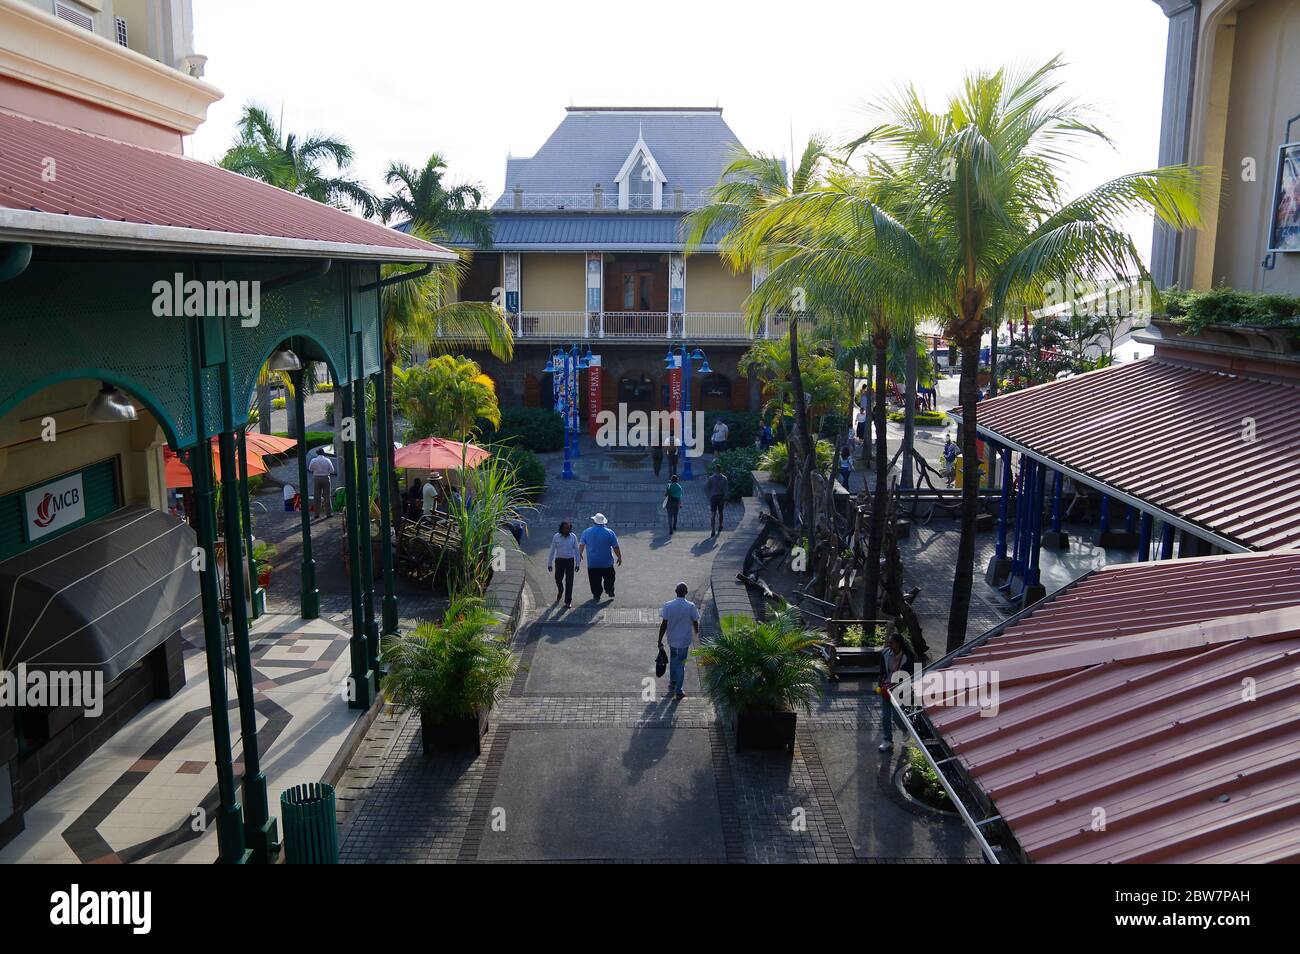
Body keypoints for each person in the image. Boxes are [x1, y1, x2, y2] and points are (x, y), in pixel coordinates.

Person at [658, 582, 700, 701]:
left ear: (675, 592)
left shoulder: (668, 605)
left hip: (672, 639)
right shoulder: (691, 606)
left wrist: (659, 640)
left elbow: (664, 624)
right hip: (684, 641)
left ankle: (673, 682)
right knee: (681, 664)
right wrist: (696, 633)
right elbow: (695, 621)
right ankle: (679, 690)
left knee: (673, 660)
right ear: (686, 593)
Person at [878, 633, 915, 751]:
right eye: (889, 642)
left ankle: (905, 730)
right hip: (886, 688)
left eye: (892, 643)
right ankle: (887, 740)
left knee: (897, 717)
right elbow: (882, 671)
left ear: (899, 644)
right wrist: (880, 684)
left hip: (900, 691)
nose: (889, 645)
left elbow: (910, 676)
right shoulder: (885, 654)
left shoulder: (907, 658)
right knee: (885, 717)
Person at [579, 513, 621, 600]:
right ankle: (609, 589)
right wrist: (619, 557)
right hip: (607, 562)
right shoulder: (610, 532)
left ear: (594, 521)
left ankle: (597, 594)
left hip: (593, 563)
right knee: (610, 578)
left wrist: (579, 554)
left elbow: (581, 545)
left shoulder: (586, 532)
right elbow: (615, 546)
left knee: (594, 581)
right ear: (603, 522)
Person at [547, 520, 580, 608]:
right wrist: (549, 563)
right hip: (559, 561)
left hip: (570, 561)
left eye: (568, 528)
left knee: (569, 582)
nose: (567, 530)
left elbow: (577, 550)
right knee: (558, 579)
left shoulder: (573, 537)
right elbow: (552, 550)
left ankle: (568, 601)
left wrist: (577, 564)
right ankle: (560, 590)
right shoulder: (556, 537)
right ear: (561, 529)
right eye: (565, 528)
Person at [307, 448, 335, 519]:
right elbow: (332, 470)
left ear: (317, 453)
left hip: (317, 478)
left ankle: (317, 514)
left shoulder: (313, 460)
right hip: (325, 478)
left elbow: (310, 469)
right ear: (323, 453)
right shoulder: (327, 460)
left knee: (317, 496)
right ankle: (328, 513)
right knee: (327, 496)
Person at [705, 464, 728, 536]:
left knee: (713, 514)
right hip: (721, 497)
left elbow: (706, 488)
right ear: (720, 470)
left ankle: (713, 530)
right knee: (721, 513)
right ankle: (720, 525)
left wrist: (709, 497)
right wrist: (725, 498)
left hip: (713, 497)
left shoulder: (711, 478)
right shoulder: (724, 478)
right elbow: (726, 489)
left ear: (715, 470)